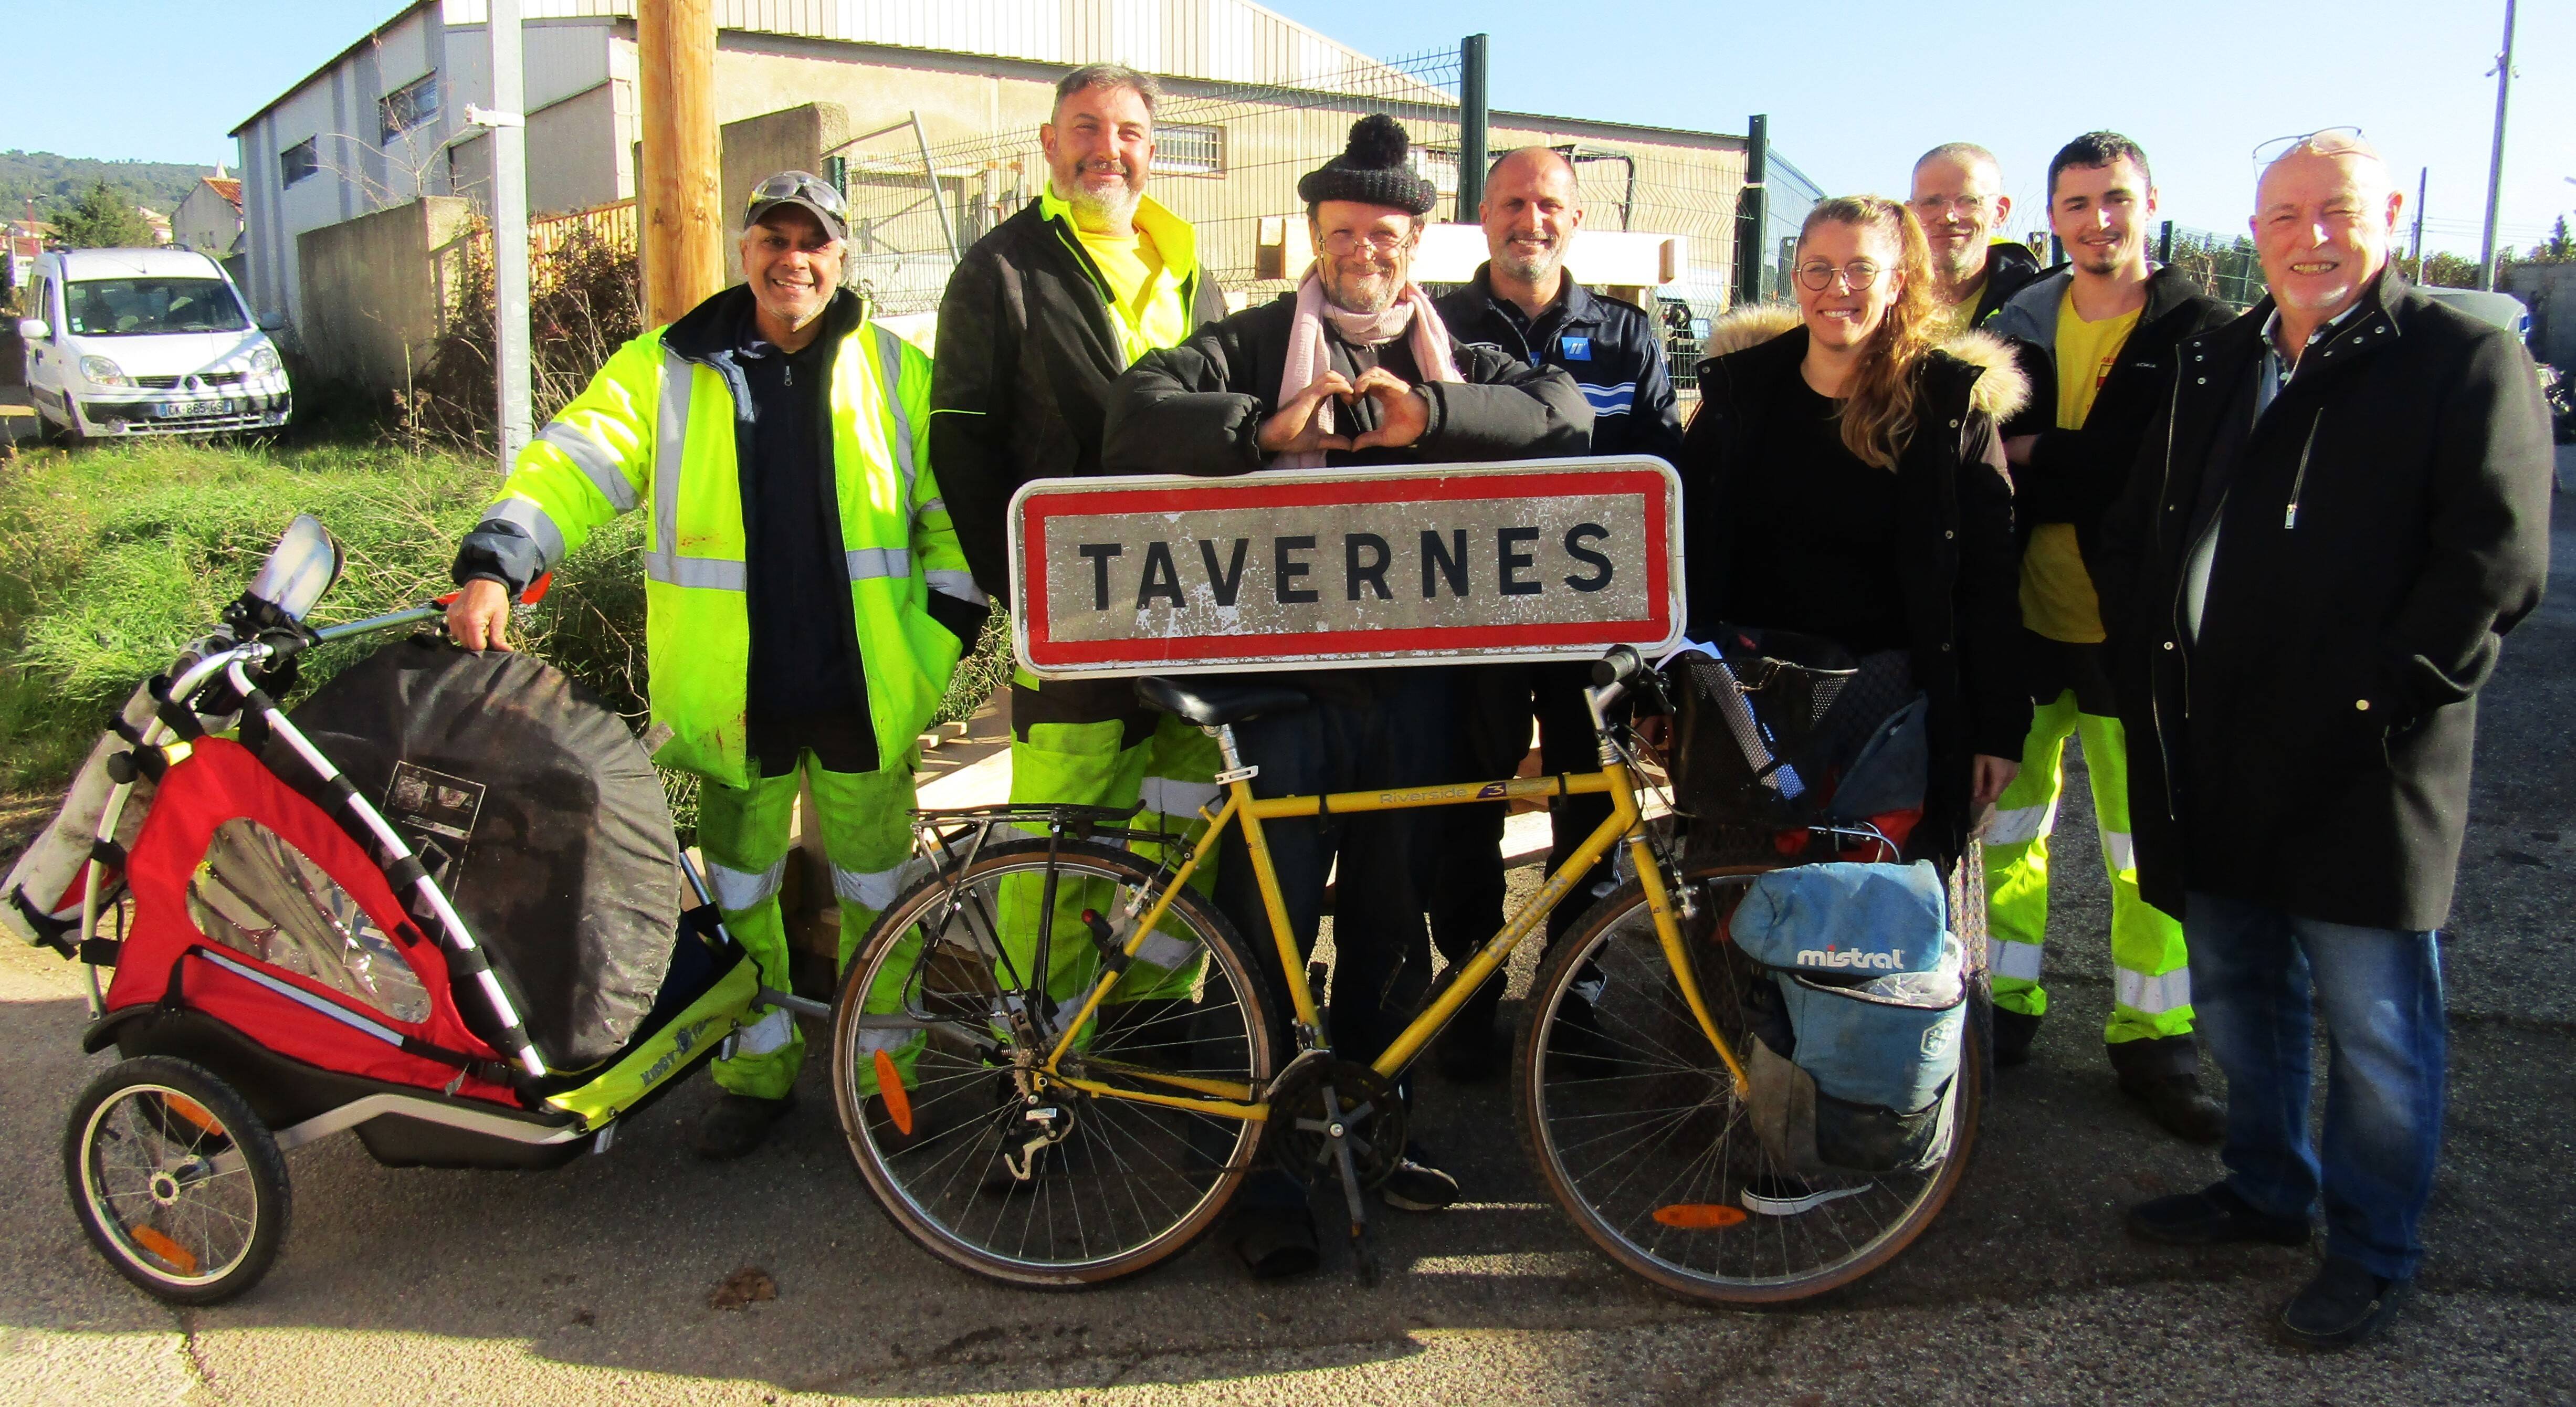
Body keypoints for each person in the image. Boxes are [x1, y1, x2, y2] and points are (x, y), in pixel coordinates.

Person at [1104, 114, 1590, 1275]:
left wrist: (1435, 415)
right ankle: (1257, 1165)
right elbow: (1133, 408)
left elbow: (1564, 415)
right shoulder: (1257, 335)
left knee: (1388, 918)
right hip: (1280, 691)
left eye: (1383, 230)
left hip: (1413, 694)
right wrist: (1260, 427)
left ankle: (1367, 1130)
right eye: (1341, 230)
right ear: (1311, 236)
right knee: (1263, 922)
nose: (1362, 248)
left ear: (1415, 238)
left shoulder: (1453, 349)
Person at [2105, 133, 2551, 1350]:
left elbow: (2495, 561)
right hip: (2217, 752)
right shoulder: (2218, 356)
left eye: (2337, 210)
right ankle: (2266, 1185)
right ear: (2253, 234)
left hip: (2368, 767)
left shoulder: (2460, 355)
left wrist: (2381, 699)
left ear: (2390, 214)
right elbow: (2156, 525)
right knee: (2242, 999)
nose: (2311, 237)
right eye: (2283, 215)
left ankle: (2371, 1245)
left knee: (2376, 1030)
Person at [445, 172, 988, 1159]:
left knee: (880, 895)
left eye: (813, 241)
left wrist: (935, 642)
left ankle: (886, 1081)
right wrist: (496, 562)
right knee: (739, 896)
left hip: (862, 695)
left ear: (841, 256)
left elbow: (949, 524)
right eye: (773, 238)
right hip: (735, 701)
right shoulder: (668, 369)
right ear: (744, 251)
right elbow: (572, 461)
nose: (794, 259)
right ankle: (755, 1068)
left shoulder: (896, 373)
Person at [931, 64, 1232, 1016]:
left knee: (1179, 836)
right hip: (1074, 616)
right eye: (1087, 128)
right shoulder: (999, 270)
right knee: (1057, 852)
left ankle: (1153, 1016)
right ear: (1051, 144)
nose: (1109, 148)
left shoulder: (1190, 268)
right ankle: (1036, 1061)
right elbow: (960, 446)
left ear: (1152, 149)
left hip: (1190, 607)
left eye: (1130, 132)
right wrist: (1024, 592)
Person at [1980, 133, 2236, 1140]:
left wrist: (2043, 452)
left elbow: (2149, 476)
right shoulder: (2021, 320)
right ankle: (2004, 1010)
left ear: (2151, 205)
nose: (2097, 222)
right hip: (2026, 618)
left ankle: (2151, 1034)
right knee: (2006, 833)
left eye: (2115, 200)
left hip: (2138, 632)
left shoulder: (2201, 331)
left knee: (2144, 848)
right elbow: (1988, 462)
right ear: (2052, 216)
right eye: (2077, 203)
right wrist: (2071, 460)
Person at [1426, 145, 1686, 1078]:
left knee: (1591, 811)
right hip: (1470, 628)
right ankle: (1466, 986)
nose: (1527, 220)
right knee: (1465, 811)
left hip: (1590, 632)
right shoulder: (1433, 328)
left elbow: (1662, 482)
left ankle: (1571, 995)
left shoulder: (1627, 338)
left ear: (1573, 221)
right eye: (1510, 204)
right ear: (1482, 216)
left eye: (1547, 205)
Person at [1677, 194, 2026, 875]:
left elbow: (1989, 582)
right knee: (1735, 927)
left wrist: (1998, 727)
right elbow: (1683, 551)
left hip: (1887, 706)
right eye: (1817, 269)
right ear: (1794, 281)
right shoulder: (1740, 399)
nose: (1837, 289)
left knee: (1865, 933)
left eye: (1861, 270)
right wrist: (1670, 688)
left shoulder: (1947, 410)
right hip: (1752, 703)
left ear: (1898, 282)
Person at [1909, 142, 2044, 341]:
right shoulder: (1879, 308)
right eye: (1931, 203)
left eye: (1968, 201)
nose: (1948, 217)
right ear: (1910, 213)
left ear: (2000, 211)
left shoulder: (2034, 310)